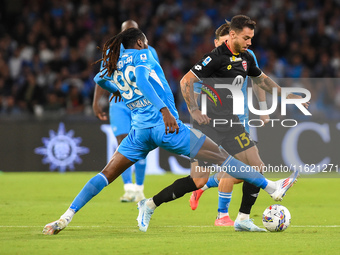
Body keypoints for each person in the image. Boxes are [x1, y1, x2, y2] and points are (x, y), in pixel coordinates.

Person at [42, 27, 300, 236]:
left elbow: (99, 79)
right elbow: (143, 79)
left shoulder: (115, 63)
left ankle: (66, 217)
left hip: (139, 132)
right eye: (145, 41)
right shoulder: (142, 54)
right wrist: (165, 110)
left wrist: (119, 90)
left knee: (106, 174)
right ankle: (271, 188)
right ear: (141, 42)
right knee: (223, 158)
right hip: (166, 127)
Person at [188, 21, 269, 231]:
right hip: (216, 123)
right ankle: (218, 208)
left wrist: (262, 108)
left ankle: (215, 202)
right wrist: (197, 113)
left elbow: (259, 81)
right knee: (232, 168)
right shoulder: (212, 62)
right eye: (221, 42)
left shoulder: (246, 57)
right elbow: (194, 88)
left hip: (241, 120)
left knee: (251, 169)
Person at [92, 20, 159, 202]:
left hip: (142, 103)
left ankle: (140, 188)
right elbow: (102, 76)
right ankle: (129, 188)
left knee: (141, 144)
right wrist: (96, 101)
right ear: (121, 33)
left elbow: (156, 77)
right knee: (123, 144)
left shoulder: (148, 51)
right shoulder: (112, 51)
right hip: (120, 103)